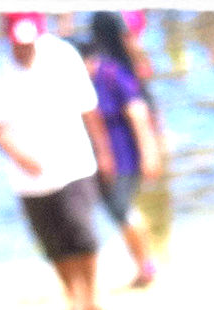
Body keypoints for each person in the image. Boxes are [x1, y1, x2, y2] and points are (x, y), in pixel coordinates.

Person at [0, 14, 115, 310]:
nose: (24, 48)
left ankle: (92, 296)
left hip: (74, 162)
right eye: (19, 42)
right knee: (52, 241)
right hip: (26, 175)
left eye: (30, 42)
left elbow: (88, 107)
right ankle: (73, 297)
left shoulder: (62, 56)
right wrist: (21, 158)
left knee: (82, 232)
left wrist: (104, 152)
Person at [81, 16, 163, 289]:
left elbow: (138, 113)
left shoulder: (112, 73)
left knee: (121, 208)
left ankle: (146, 264)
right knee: (120, 209)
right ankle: (144, 263)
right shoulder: (107, 72)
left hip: (124, 156)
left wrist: (149, 154)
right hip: (110, 157)